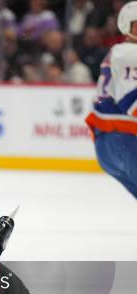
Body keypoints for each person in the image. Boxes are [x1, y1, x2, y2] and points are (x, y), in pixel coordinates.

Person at [86, 1, 137, 199]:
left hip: (109, 146)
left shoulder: (121, 53)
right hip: (123, 140)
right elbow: (130, 104)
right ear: (126, 26)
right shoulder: (125, 52)